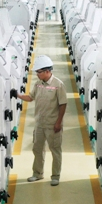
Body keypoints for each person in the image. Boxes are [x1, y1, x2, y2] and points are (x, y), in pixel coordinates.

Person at [17, 55, 67, 186]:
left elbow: (63, 104)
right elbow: (30, 97)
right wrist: (18, 95)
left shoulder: (58, 85)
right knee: (37, 149)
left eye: (39, 72)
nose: (37, 74)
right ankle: (37, 173)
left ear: (47, 71)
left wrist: (58, 122)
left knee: (55, 150)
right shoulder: (38, 84)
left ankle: (55, 176)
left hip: (52, 124)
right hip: (39, 123)